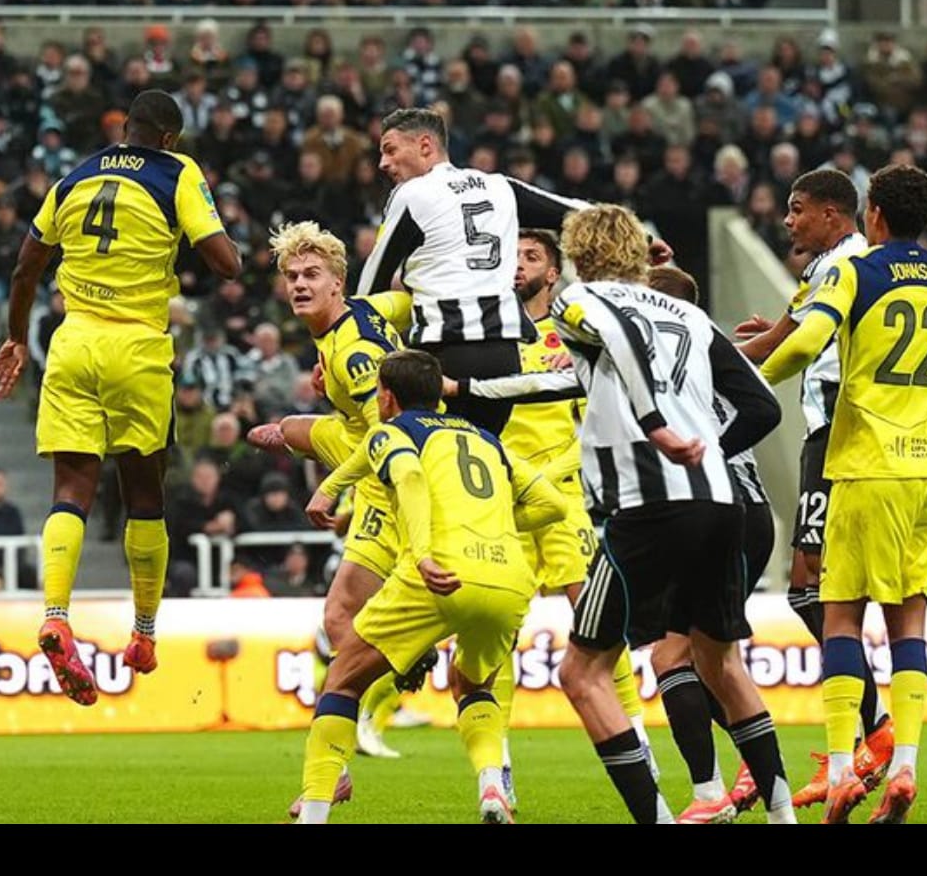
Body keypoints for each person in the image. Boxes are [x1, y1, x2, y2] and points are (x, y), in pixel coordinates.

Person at [761, 164, 927, 824]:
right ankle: (905, 764)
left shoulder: (860, 272)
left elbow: (805, 345)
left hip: (867, 468)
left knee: (841, 616)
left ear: (873, 215)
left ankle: (845, 767)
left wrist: (746, 382)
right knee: (910, 623)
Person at [0, 89, 241, 702]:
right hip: (137, 349)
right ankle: (144, 633)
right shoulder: (176, 172)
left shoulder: (75, 175)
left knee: (70, 490)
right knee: (144, 496)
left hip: (72, 344)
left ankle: (54, 614)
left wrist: (19, 339)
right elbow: (226, 264)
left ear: (124, 128)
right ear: (171, 138)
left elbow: (25, 270)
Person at [551, 204, 789, 824]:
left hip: (646, 506)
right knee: (721, 660)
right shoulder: (686, 312)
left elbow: (622, 344)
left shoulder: (577, 301)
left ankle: (665, 815)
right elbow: (763, 406)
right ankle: (783, 814)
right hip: (722, 502)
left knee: (582, 673)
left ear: (577, 254)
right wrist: (706, 449)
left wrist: (655, 427)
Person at [294, 349, 567, 824]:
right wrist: (499, 525)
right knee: (472, 684)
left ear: (386, 396)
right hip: (506, 577)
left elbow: (410, 476)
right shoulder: (485, 439)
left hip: (439, 570)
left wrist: (421, 552)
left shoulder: (395, 431)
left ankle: (314, 812)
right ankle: (491, 785)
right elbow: (552, 504)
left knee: (343, 679)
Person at [442, 229, 655, 811]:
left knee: (599, 626)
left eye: (531, 257)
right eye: (511, 256)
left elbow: (595, 417)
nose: (517, 265)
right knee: (489, 634)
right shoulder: (486, 337)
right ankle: (497, 773)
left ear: (554, 272)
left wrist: (552, 475)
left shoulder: (575, 331)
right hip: (501, 503)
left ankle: (639, 748)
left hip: (561, 501)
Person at [355, 107, 670, 436]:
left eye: (390, 150)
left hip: (444, 355)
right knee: (485, 459)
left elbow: (373, 280)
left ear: (425, 145)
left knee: (437, 466)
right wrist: (643, 240)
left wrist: (345, 345)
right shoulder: (498, 186)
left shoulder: (410, 194)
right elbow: (577, 212)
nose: (383, 164)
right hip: (504, 357)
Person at [732, 169, 894, 807]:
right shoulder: (830, 264)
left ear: (834, 212)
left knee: (812, 587)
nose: (788, 220)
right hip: (826, 439)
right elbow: (780, 332)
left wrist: (701, 359)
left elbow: (786, 344)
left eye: (798, 210)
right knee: (814, 589)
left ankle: (871, 731)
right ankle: (867, 732)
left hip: (834, 439)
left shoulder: (843, 265)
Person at [243, 221, 414, 778]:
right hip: (383, 442)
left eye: (312, 274)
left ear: (337, 282)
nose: (299, 284)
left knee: (341, 616)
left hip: (392, 475)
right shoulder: (368, 310)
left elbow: (383, 438)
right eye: (291, 276)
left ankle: (398, 665)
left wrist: (332, 489)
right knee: (287, 428)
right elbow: (414, 300)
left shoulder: (354, 353)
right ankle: (399, 661)